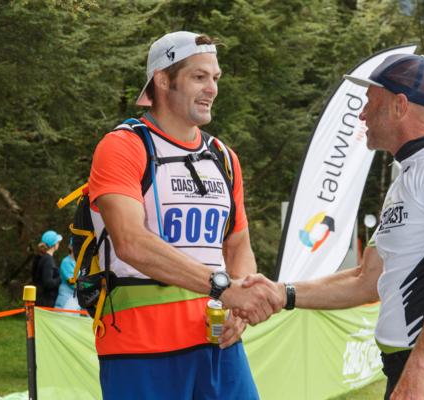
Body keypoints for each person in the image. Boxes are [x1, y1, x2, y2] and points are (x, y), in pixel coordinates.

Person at [244, 54, 424, 399]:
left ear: (399, 105)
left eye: (370, 102)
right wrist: (283, 292)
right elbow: (365, 279)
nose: (362, 114)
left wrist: (421, 366)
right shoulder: (410, 174)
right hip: (422, 366)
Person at [87, 31, 279, 399]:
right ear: (162, 79)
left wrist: (238, 309)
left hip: (217, 344)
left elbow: (237, 243)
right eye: (198, 77)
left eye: (215, 78)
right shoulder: (123, 146)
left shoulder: (223, 156)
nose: (212, 89)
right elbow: (131, 243)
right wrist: (224, 288)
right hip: (140, 350)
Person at [32, 230, 62, 307]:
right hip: (45, 301)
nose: (58, 244)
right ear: (54, 244)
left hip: (40, 299)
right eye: (58, 242)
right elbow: (48, 283)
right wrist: (61, 278)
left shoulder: (41, 257)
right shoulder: (48, 260)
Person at [54, 242, 81, 310]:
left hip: (75, 300)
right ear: (70, 247)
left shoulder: (79, 263)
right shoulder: (66, 262)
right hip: (66, 300)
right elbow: (72, 282)